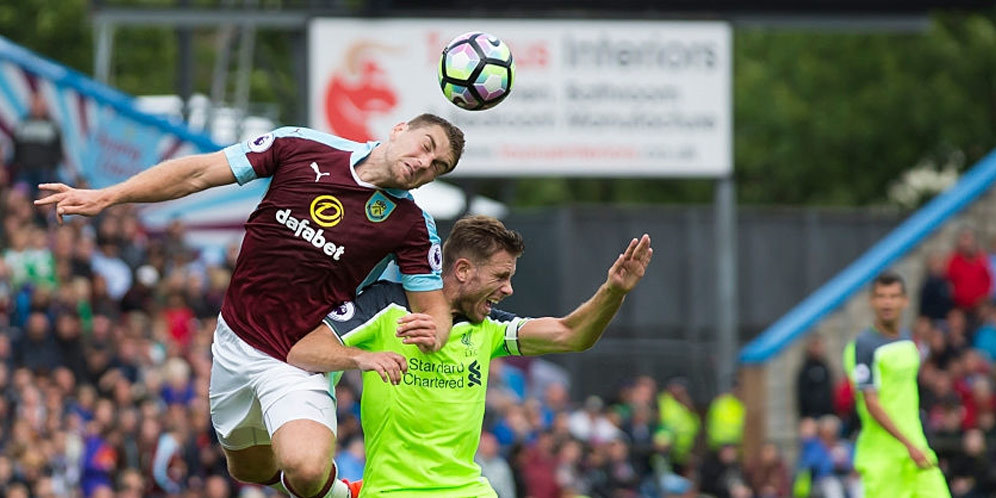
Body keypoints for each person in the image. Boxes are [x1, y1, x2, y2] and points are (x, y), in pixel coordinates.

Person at [35, 114, 465, 498]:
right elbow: (199, 173)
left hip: (301, 356)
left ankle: (338, 492)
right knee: (249, 470)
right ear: (399, 129)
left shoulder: (411, 226)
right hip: (236, 339)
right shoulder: (301, 146)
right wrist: (109, 196)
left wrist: (437, 330)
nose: (425, 164)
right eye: (426, 146)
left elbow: (433, 310)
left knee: (307, 468)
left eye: (438, 167)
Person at [287, 215, 653, 497]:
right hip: (392, 490)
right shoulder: (386, 304)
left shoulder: (489, 327)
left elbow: (571, 334)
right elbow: (302, 350)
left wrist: (613, 291)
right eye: (501, 276)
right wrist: (361, 358)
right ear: (462, 270)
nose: (509, 289)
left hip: (469, 489)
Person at [843, 271, 950, 498]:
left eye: (893, 296)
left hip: (916, 447)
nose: (887, 302)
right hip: (884, 456)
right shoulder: (863, 346)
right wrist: (906, 444)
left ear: (905, 301)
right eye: (881, 296)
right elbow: (871, 402)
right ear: (872, 301)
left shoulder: (906, 339)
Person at [12, 91, 62, 197]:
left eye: (40, 104)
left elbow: (58, 152)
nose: (37, 107)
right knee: (18, 196)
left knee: (45, 199)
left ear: (45, 106)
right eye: (35, 104)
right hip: (24, 172)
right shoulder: (22, 125)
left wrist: (51, 168)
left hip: (45, 173)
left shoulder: (52, 126)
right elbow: (16, 148)